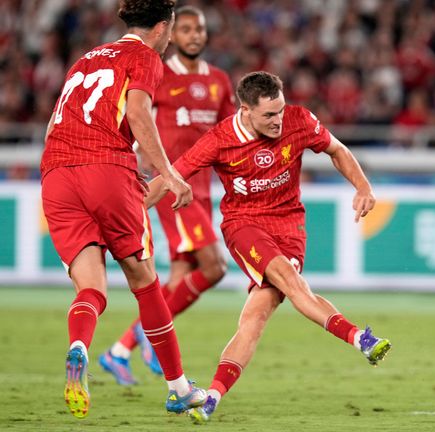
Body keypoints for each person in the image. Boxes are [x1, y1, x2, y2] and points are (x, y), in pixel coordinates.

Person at [143, 71, 392, 424]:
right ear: (245, 110)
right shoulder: (219, 139)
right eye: (268, 116)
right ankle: (359, 338)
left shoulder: (299, 119)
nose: (278, 121)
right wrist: (132, 212)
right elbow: (170, 177)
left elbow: (336, 150)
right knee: (291, 283)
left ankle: (212, 396)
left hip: (290, 225)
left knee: (255, 318)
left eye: (280, 111)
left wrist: (363, 186)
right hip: (244, 224)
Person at [39, 0, 207, 419]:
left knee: (91, 289)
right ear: (162, 28)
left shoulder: (86, 59)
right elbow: (136, 113)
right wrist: (167, 174)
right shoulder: (145, 56)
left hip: (55, 173)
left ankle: (79, 345)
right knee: (144, 279)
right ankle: (179, 388)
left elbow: (51, 125)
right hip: (106, 169)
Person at [99, 5, 235, 386]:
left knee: (180, 277)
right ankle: (147, 336)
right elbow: (135, 116)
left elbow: (226, 133)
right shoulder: (157, 71)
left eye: (200, 29)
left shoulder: (221, 81)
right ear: (172, 33)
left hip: (203, 188)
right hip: (173, 185)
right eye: (186, 28)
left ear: (206, 34)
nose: (193, 35)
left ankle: (120, 350)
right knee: (214, 267)